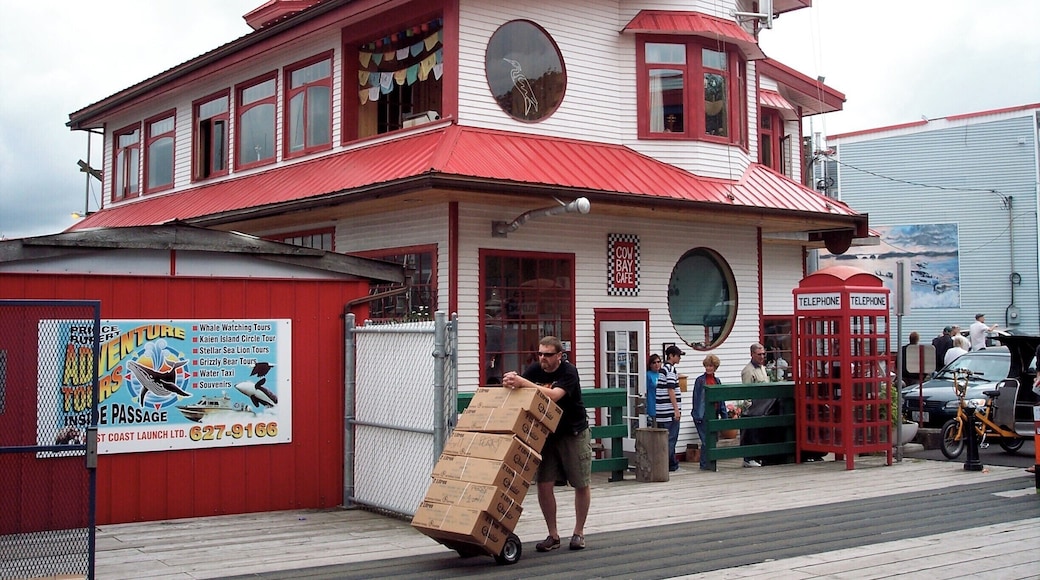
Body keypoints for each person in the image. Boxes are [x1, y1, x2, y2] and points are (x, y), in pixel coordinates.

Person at [501, 336, 590, 552]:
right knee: (543, 483)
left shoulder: (569, 372)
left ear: (559, 356)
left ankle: (578, 532)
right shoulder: (534, 371)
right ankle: (553, 534)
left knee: (580, 482)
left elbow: (554, 395)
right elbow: (520, 390)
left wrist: (524, 383)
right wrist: (511, 382)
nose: (543, 358)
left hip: (573, 431)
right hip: (547, 435)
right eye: (540, 353)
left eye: (548, 354)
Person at [739, 343, 769, 468]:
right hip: (754, 409)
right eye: (759, 354)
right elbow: (747, 393)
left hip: (765, 407)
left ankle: (760, 457)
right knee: (751, 434)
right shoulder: (748, 371)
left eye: (763, 354)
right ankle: (748, 458)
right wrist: (751, 408)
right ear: (752, 354)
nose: (762, 357)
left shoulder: (762, 367)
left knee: (761, 435)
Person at [691, 354, 722, 471]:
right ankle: (704, 465)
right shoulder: (700, 380)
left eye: (711, 366)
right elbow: (696, 398)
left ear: (715, 367)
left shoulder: (717, 381)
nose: (709, 368)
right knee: (705, 440)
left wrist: (723, 414)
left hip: (714, 413)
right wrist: (696, 414)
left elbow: (721, 399)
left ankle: (711, 464)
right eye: (707, 366)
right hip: (702, 414)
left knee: (713, 440)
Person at [656, 345, 684, 472]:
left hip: (661, 410)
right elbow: (671, 389)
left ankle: (671, 463)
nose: (679, 358)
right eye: (678, 355)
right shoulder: (670, 369)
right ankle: (668, 464)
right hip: (669, 411)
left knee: (664, 439)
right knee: (671, 438)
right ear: (671, 356)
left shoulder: (662, 369)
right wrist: (676, 410)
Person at [645, 354, 662, 426]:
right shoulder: (648, 375)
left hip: (662, 406)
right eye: (654, 363)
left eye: (658, 362)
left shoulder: (662, 374)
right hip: (653, 406)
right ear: (650, 365)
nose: (656, 364)